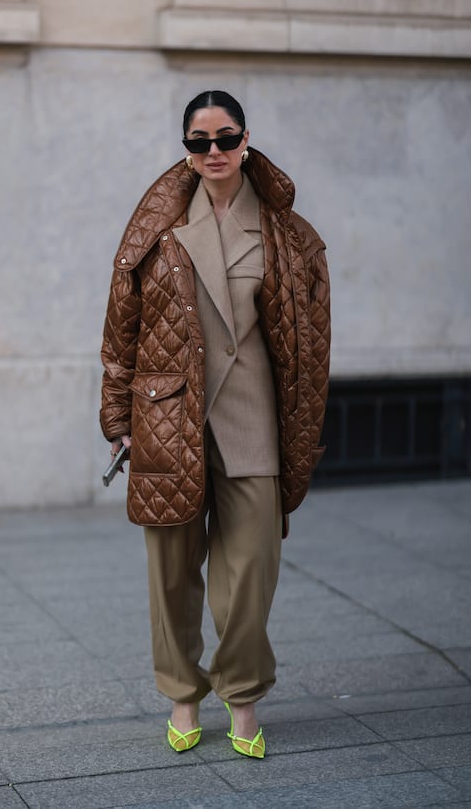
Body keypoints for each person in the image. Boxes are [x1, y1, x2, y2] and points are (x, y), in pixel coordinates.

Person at [100, 90, 330, 759]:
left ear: (247, 138)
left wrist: (306, 426)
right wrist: (117, 415)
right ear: (187, 149)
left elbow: (313, 344)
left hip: (254, 414)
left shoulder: (290, 232)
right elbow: (123, 328)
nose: (214, 152)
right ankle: (180, 693)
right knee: (171, 569)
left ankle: (245, 695)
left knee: (251, 568)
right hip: (170, 416)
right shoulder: (156, 228)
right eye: (199, 142)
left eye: (225, 137)